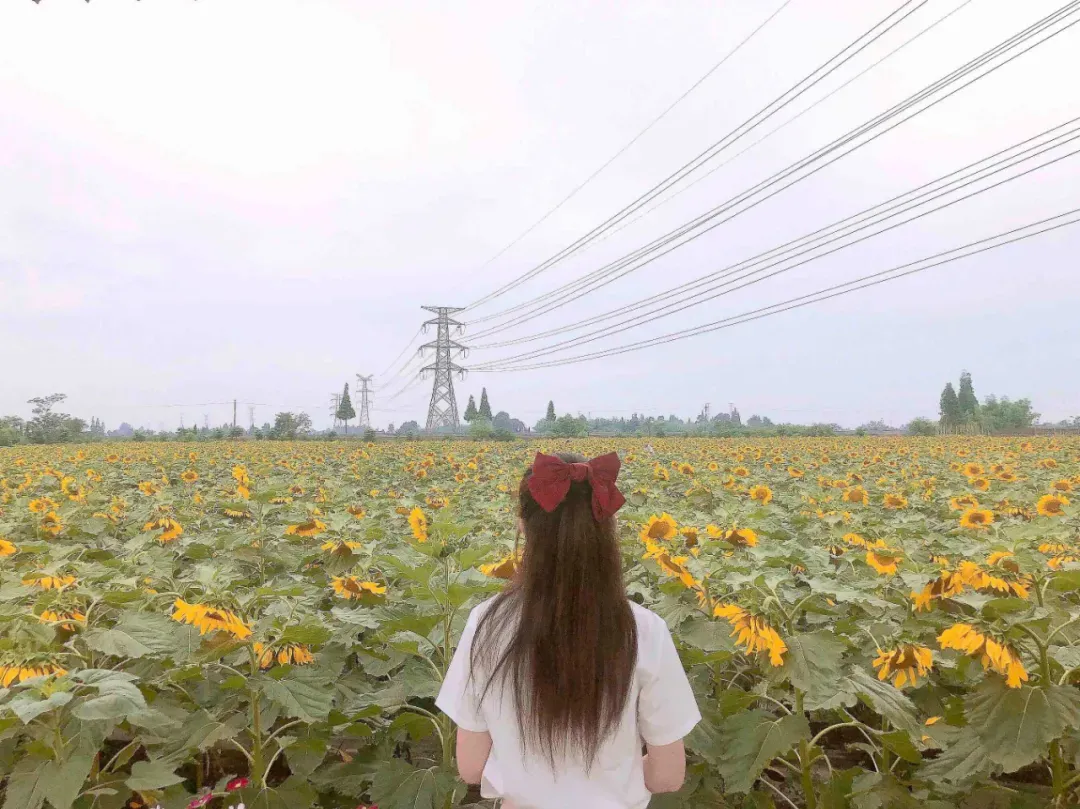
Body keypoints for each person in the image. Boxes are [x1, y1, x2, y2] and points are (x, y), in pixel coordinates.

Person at [436, 451, 701, 809]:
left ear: (523, 526)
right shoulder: (644, 631)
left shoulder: (486, 624)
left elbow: (471, 768)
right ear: (607, 529)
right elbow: (667, 777)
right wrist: (613, 780)